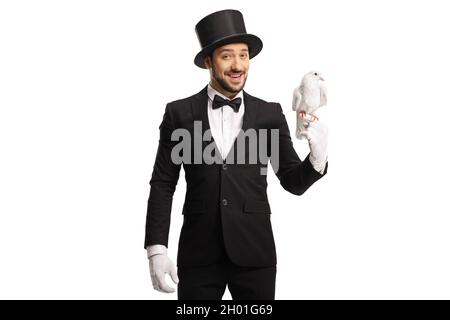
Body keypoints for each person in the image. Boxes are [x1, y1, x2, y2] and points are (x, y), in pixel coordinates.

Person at [144, 9, 328, 300]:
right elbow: (163, 183)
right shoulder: (178, 114)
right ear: (208, 61)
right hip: (198, 257)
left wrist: (317, 158)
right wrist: (156, 249)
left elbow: (292, 181)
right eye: (227, 56)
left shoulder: (270, 113)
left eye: (243, 55)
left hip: (255, 256)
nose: (238, 65)